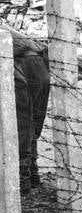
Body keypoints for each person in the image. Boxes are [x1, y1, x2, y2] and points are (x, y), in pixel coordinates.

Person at [9, 31, 50, 196]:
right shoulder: (10, 31)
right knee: (32, 125)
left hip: (22, 69)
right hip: (40, 68)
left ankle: (22, 182)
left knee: (21, 125)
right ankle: (33, 176)